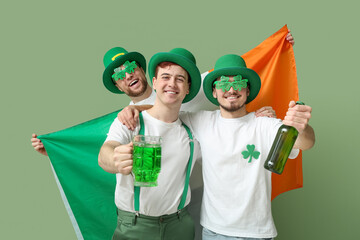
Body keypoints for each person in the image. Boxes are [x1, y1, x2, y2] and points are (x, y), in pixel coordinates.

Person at [118, 53, 315, 240]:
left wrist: (300, 127)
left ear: (247, 90)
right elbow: (164, 110)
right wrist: (133, 108)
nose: (231, 90)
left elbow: (305, 142)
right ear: (213, 91)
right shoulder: (200, 121)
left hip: (258, 232)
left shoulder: (263, 124)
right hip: (214, 232)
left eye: (238, 83)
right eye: (223, 84)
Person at [31, 27, 296, 154]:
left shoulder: (197, 85)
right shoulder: (127, 117)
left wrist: (276, 46)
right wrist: (55, 150)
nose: (129, 75)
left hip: (210, 184)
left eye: (131, 67)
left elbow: (235, 75)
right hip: (167, 195)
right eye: (120, 74)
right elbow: (100, 149)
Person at [98, 48, 202, 239]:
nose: (172, 83)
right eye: (165, 77)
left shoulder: (194, 124)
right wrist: (115, 159)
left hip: (180, 223)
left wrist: (262, 116)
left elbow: (229, 112)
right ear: (155, 82)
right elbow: (106, 152)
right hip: (136, 226)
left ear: (188, 87)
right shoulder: (129, 121)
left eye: (180, 79)